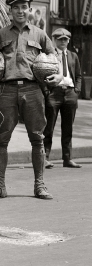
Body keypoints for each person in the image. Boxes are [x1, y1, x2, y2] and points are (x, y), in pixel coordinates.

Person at [0, 0, 59, 200]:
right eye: (16, 8)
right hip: (6, 91)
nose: (20, 11)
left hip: (33, 90)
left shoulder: (39, 34)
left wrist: (57, 76)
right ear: (10, 12)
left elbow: (54, 58)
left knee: (37, 139)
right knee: (1, 140)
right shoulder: (0, 35)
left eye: (24, 7)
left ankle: (40, 186)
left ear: (29, 10)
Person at [43, 28, 82, 169]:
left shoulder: (73, 56)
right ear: (54, 40)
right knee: (48, 127)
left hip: (70, 93)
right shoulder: (49, 56)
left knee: (68, 128)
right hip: (54, 93)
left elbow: (78, 76)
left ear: (69, 41)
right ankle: (45, 158)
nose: (63, 42)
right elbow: (42, 75)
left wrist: (76, 90)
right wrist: (47, 92)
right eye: (60, 39)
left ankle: (68, 159)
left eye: (65, 39)